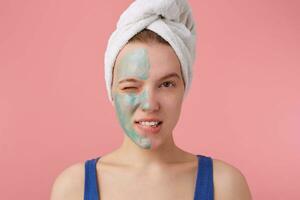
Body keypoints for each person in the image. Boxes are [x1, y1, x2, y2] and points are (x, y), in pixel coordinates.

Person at [50, 0, 252, 199]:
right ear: (112, 92)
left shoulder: (225, 186)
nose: (149, 104)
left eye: (166, 84)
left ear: (184, 88)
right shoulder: (73, 188)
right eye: (131, 87)